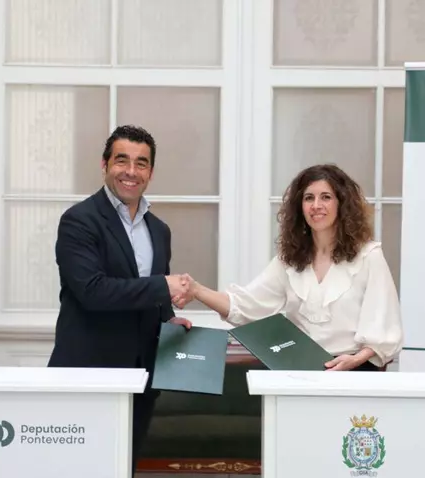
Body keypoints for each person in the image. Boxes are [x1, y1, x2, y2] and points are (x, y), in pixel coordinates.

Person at [47, 125, 193, 470]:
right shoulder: (78, 221)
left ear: (151, 172)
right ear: (104, 165)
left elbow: (155, 299)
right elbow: (93, 292)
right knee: (77, 470)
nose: (131, 171)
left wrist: (169, 319)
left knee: (123, 467)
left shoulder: (159, 230)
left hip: (142, 378)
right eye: (121, 160)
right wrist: (163, 286)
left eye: (141, 163)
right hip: (88, 373)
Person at [173, 164, 402, 371]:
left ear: (342, 204)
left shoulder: (369, 256)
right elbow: (244, 307)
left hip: (356, 371)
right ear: (299, 207)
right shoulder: (289, 260)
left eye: (326, 197)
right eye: (309, 198)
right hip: (300, 371)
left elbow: (384, 327)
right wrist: (196, 290)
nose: (316, 206)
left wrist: (354, 361)